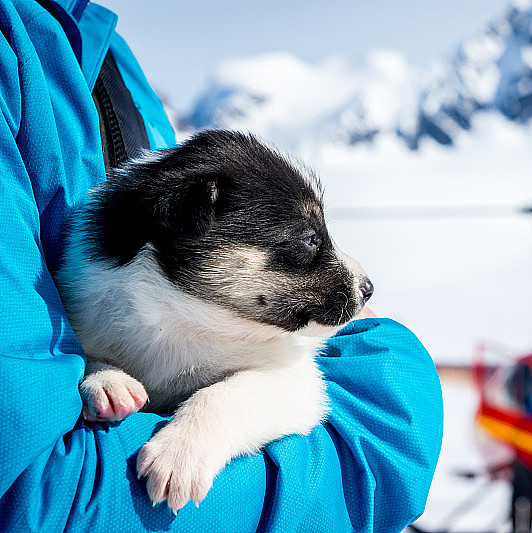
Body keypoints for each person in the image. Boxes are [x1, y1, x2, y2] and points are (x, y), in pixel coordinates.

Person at [0, 0, 443, 531]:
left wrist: (213, 423)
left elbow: (290, 387)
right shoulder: (22, 50)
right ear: (189, 222)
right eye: (306, 241)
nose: (354, 275)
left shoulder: (110, 56)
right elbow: (35, 484)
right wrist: (377, 438)